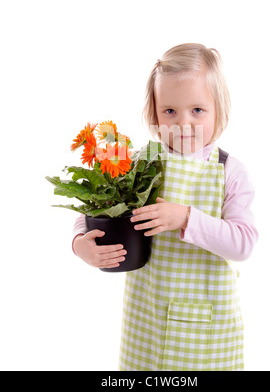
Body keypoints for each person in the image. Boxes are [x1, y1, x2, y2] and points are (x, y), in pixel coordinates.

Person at [72, 43, 259, 371]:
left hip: (206, 322)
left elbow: (244, 244)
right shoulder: (141, 161)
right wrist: (80, 244)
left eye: (197, 110)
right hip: (147, 316)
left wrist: (186, 217)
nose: (183, 123)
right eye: (169, 111)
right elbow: (97, 203)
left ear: (219, 109)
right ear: (154, 114)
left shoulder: (229, 171)